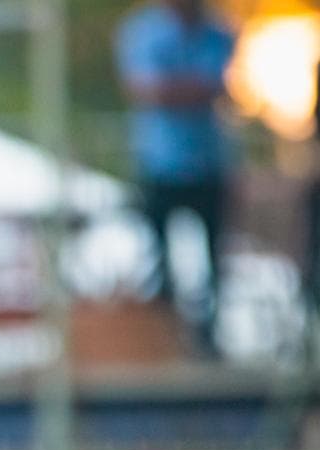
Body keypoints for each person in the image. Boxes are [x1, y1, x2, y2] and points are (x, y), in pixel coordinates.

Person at [115, 0, 236, 358]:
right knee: (159, 261)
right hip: (158, 164)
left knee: (214, 260)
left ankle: (208, 339)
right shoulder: (143, 30)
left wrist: (171, 90)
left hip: (208, 165)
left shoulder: (217, 31)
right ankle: (164, 340)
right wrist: (189, 91)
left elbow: (209, 87)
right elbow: (148, 90)